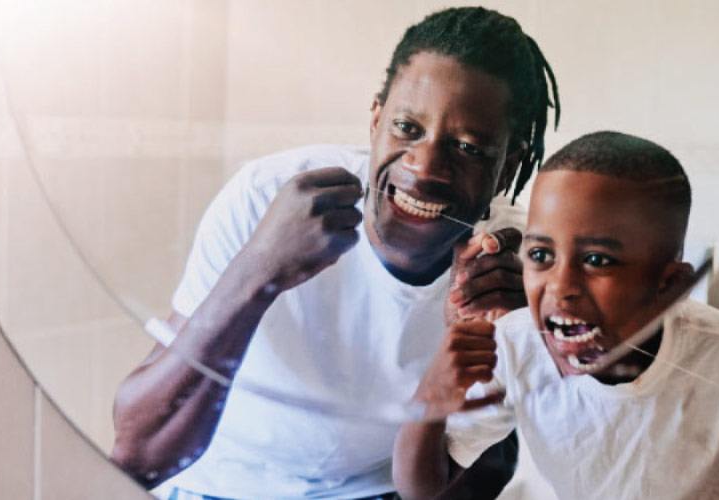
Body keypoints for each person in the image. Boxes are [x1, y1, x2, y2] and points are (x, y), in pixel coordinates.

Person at [109, 7, 560, 500]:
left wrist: (526, 336)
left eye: (469, 148)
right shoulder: (266, 198)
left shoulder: (516, 265)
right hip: (214, 486)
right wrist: (261, 268)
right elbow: (138, 456)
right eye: (407, 128)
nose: (425, 166)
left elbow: (478, 469)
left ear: (510, 162)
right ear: (375, 119)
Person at [393, 131, 719, 500]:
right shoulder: (517, 347)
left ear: (667, 288)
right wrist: (430, 400)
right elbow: (423, 488)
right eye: (542, 256)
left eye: (598, 260)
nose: (561, 287)